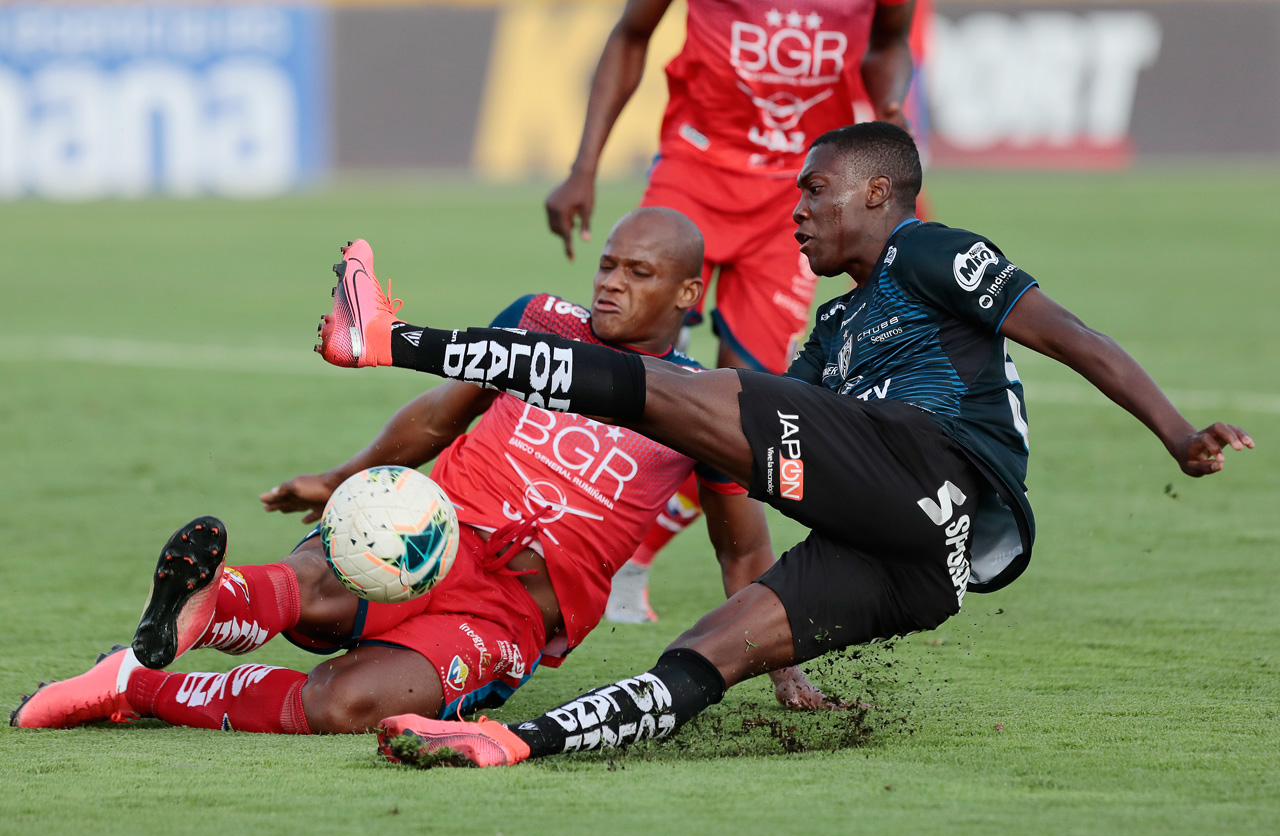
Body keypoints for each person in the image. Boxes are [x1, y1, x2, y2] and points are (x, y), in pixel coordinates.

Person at [310, 122, 1253, 767]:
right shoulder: (833, 337)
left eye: (816, 189)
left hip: (936, 469)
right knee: (706, 653)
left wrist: (1177, 434)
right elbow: (748, 445)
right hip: (928, 565)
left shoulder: (927, 251)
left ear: (880, 192)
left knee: (668, 388)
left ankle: (386, 338)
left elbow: (1070, 334)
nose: (795, 208)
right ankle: (517, 744)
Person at [10, 208, 835, 736]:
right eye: (608, 265)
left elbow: (741, 547)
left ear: (691, 291)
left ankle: (136, 681)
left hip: (510, 609)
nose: (612, 283)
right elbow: (441, 415)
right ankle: (205, 601)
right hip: (430, 527)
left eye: (639, 274)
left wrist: (782, 665)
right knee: (322, 580)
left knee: (345, 703)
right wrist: (342, 479)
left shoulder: (706, 405)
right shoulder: (542, 320)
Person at [546, 0, 919, 622]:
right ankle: (562, 537)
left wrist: (890, 103)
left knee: (746, 408)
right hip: (696, 169)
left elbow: (889, 44)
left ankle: (635, 554)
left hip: (800, 193)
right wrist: (583, 167)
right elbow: (632, 33)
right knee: (627, 361)